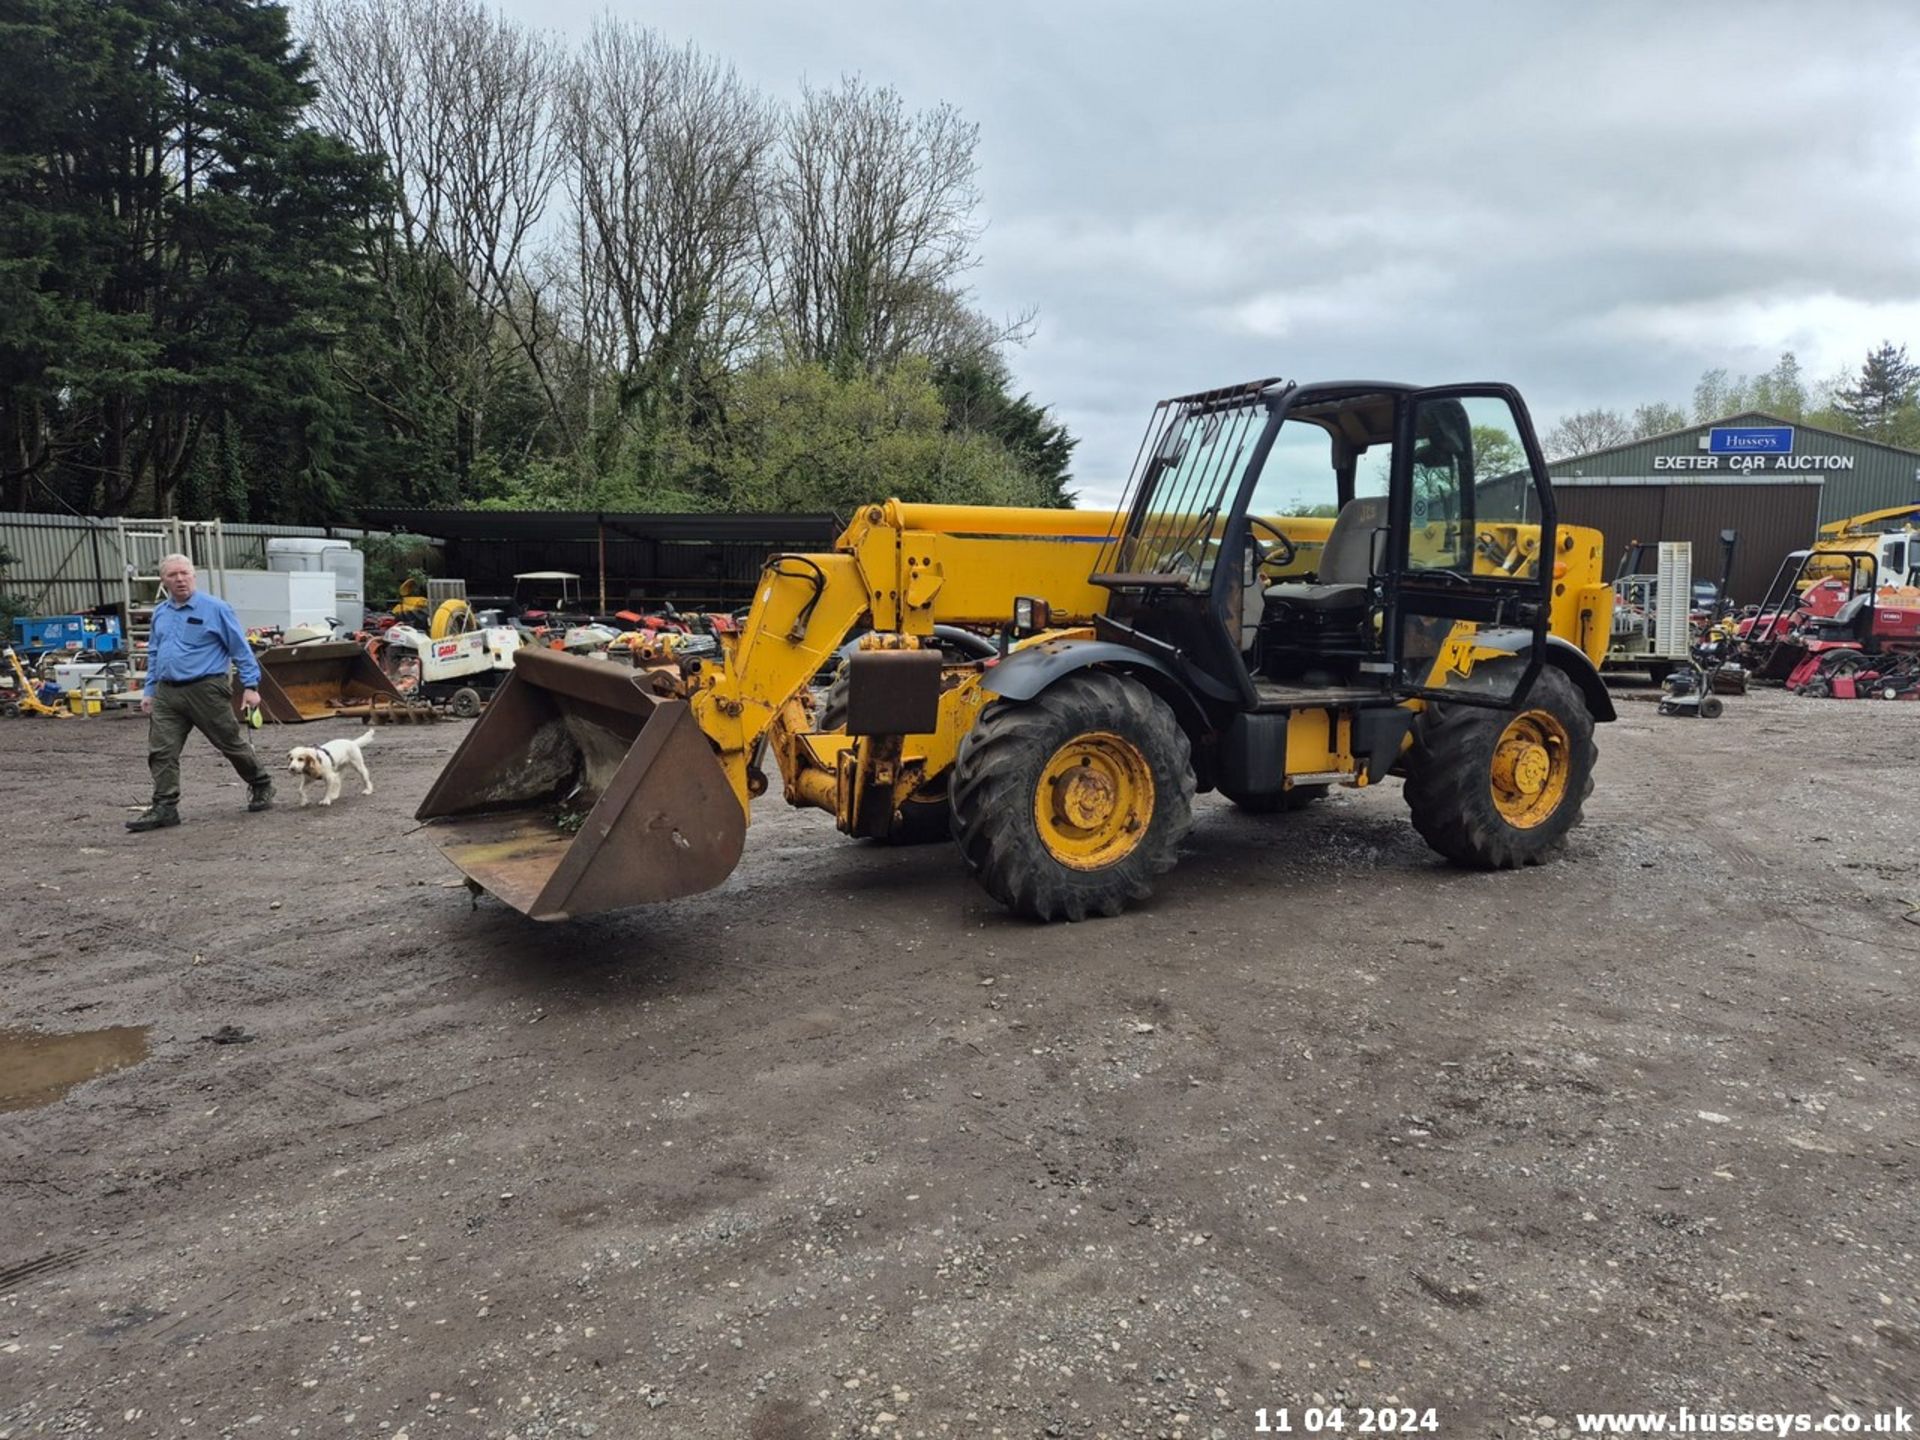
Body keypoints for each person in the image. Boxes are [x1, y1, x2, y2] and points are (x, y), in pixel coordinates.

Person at [126, 554, 275, 831]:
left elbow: (240, 650)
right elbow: (155, 652)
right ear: (164, 581)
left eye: (185, 573)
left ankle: (261, 783)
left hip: (206, 689)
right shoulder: (161, 612)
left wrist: (251, 687)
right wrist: (149, 690)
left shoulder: (216, 609)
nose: (180, 579)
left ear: (194, 575)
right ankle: (165, 807)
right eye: (173, 575)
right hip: (168, 693)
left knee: (229, 743)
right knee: (161, 751)